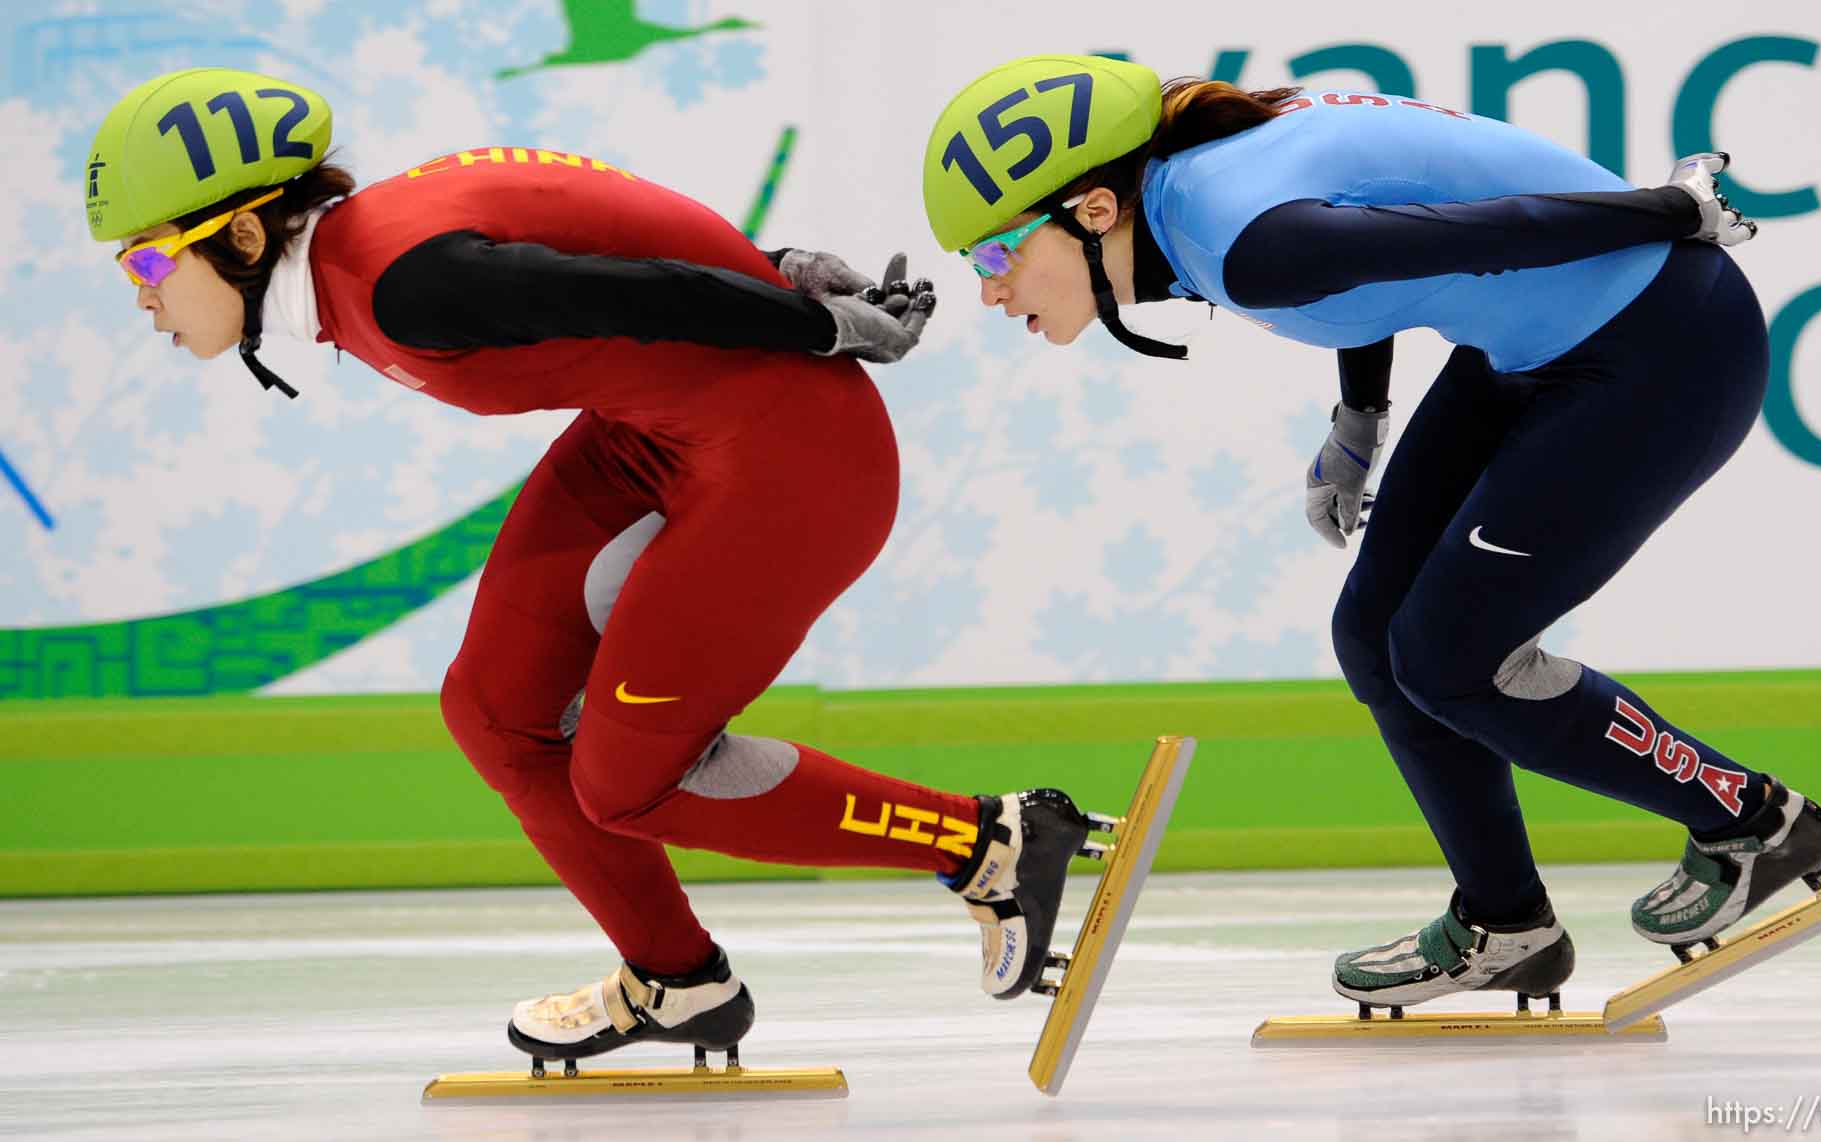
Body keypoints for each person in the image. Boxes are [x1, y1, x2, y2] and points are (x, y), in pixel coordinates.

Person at [86, 66, 1102, 1068]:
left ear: (247, 234)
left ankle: (990, 842)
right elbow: (607, 232)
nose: (142, 299)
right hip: (658, 433)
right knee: (494, 707)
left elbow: (638, 287)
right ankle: (676, 977)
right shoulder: (374, 254)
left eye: (143, 266)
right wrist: (781, 262)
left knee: (625, 778)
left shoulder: (404, 285)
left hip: (792, 459)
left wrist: (805, 314)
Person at [920, 55, 1821, 1012]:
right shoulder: (1195, 201)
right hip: (1535, 349)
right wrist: (1360, 416)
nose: (990, 293)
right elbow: (1378, 254)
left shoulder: (1236, 241)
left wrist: (1666, 209)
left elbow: (1470, 231)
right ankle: (1505, 924)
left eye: (996, 257)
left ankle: (1754, 822)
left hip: (1665, 348)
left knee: (1451, 658)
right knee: (1374, 636)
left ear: (1094, 212)